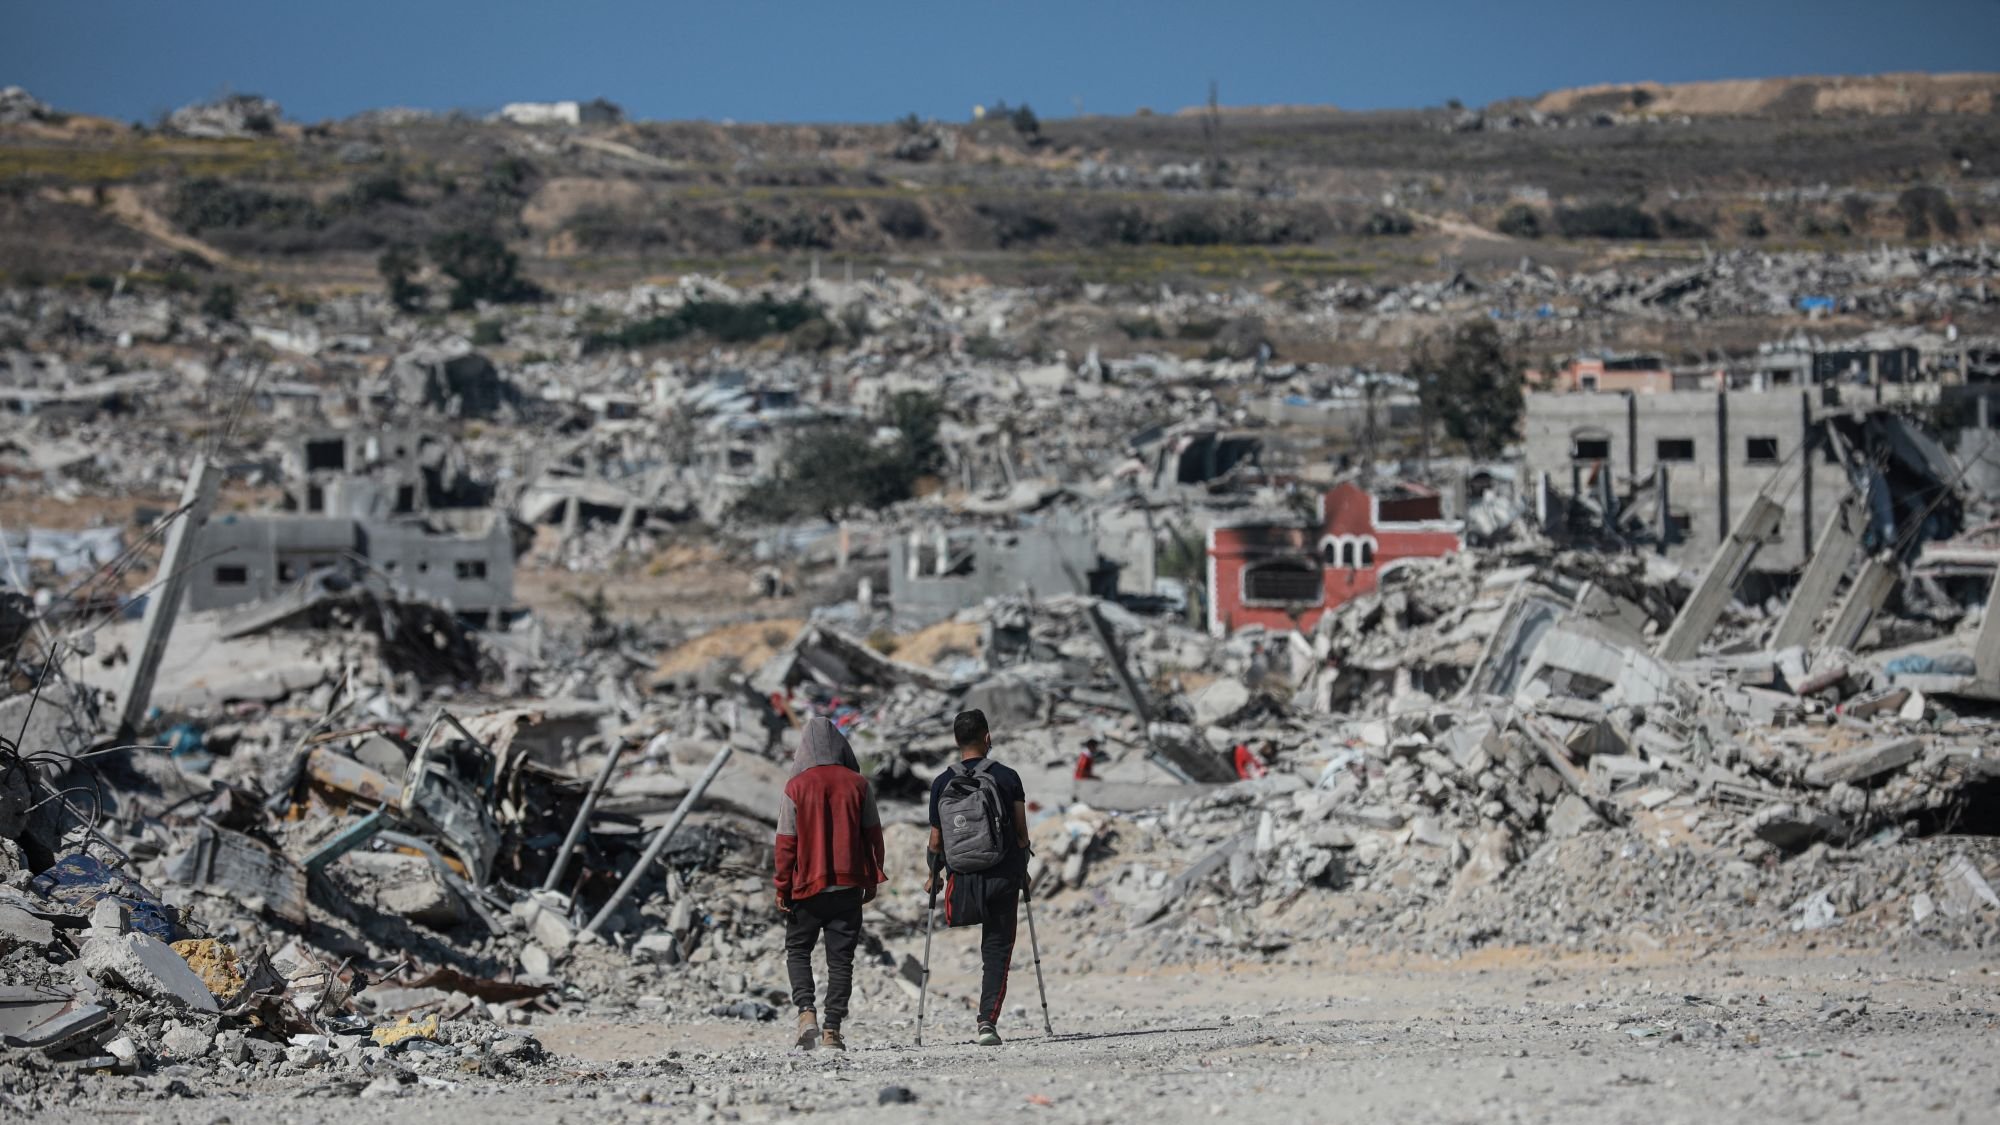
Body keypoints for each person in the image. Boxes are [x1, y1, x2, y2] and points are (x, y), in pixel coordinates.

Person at [774, 716, 884, 1052]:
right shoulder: (858, 784)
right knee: (841, 961)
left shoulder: (795, 787)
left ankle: (806, 1013)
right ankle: (832, 1030)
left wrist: (782, 886)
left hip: (806, 887)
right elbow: (873, 835)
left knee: (798, 951)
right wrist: (873, 876)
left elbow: (786, 841)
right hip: (848, 886)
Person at [926, 708, 1030, 1047]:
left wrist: (933, 876)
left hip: (962, 883)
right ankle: (987, 1021)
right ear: (987, 737)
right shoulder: (1007, 777)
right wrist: (1023, 868)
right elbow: (1021, 832)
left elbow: (936, 841)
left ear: (956, 741)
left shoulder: (941, 783)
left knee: (982, 943)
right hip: (1002, 876)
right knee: (996, 950)